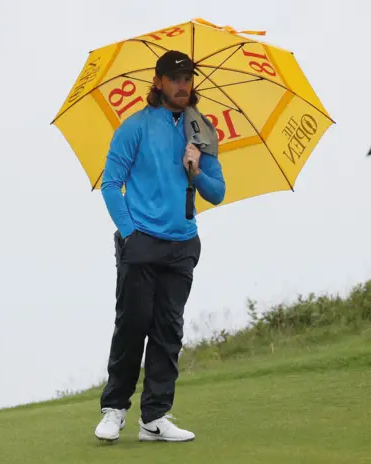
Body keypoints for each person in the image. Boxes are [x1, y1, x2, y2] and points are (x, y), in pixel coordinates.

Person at [94, 50, 226, 443]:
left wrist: (196, 169)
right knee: (132, 326)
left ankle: (155, 417)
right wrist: (129, 233)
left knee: (169, 332)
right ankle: (115, 409)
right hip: (141, 241)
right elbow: (110, 184)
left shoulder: (200, 132)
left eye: (187, 78)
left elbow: (217, 193)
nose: (182, 85)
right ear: (158, 82)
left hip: (183, 243)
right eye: (174, 78)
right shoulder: (134, 127)